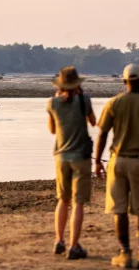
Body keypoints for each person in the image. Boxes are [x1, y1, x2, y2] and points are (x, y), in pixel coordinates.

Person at [95, 64, 139, 270]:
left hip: (117, 161)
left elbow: (103, 134)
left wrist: (98, 160)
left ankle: (125, 253)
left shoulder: (114, 103)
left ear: (124, 81)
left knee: (119, 210)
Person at [47, 66, 96, 260]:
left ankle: (59, 240)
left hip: (61, 157)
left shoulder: (52, 103)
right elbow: (93, 122)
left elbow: (52, 130)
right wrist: (81, 98)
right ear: (77, 84)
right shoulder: (84, 101)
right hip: (81, 158)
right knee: (78, 204)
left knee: (63, 200)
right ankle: (74, 245)